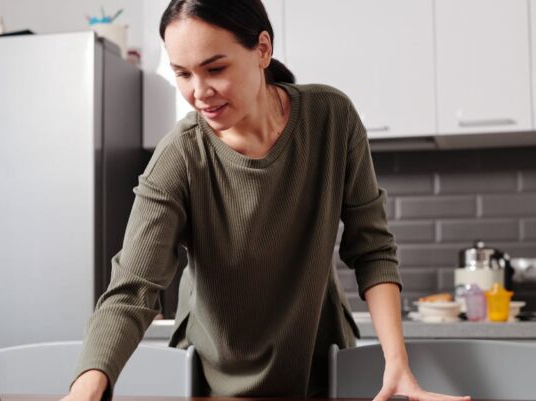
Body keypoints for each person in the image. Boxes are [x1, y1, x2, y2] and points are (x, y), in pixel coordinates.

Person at [63, 1, 470, 400]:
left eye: (215, 68)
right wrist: (86, 386)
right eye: (182, 74)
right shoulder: (180, 156)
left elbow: (373, 249)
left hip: (322, 369)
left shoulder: (331, 118)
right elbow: (133, 287)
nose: (198, 92)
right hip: (214, 382)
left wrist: (396, 362)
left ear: (262, 49)